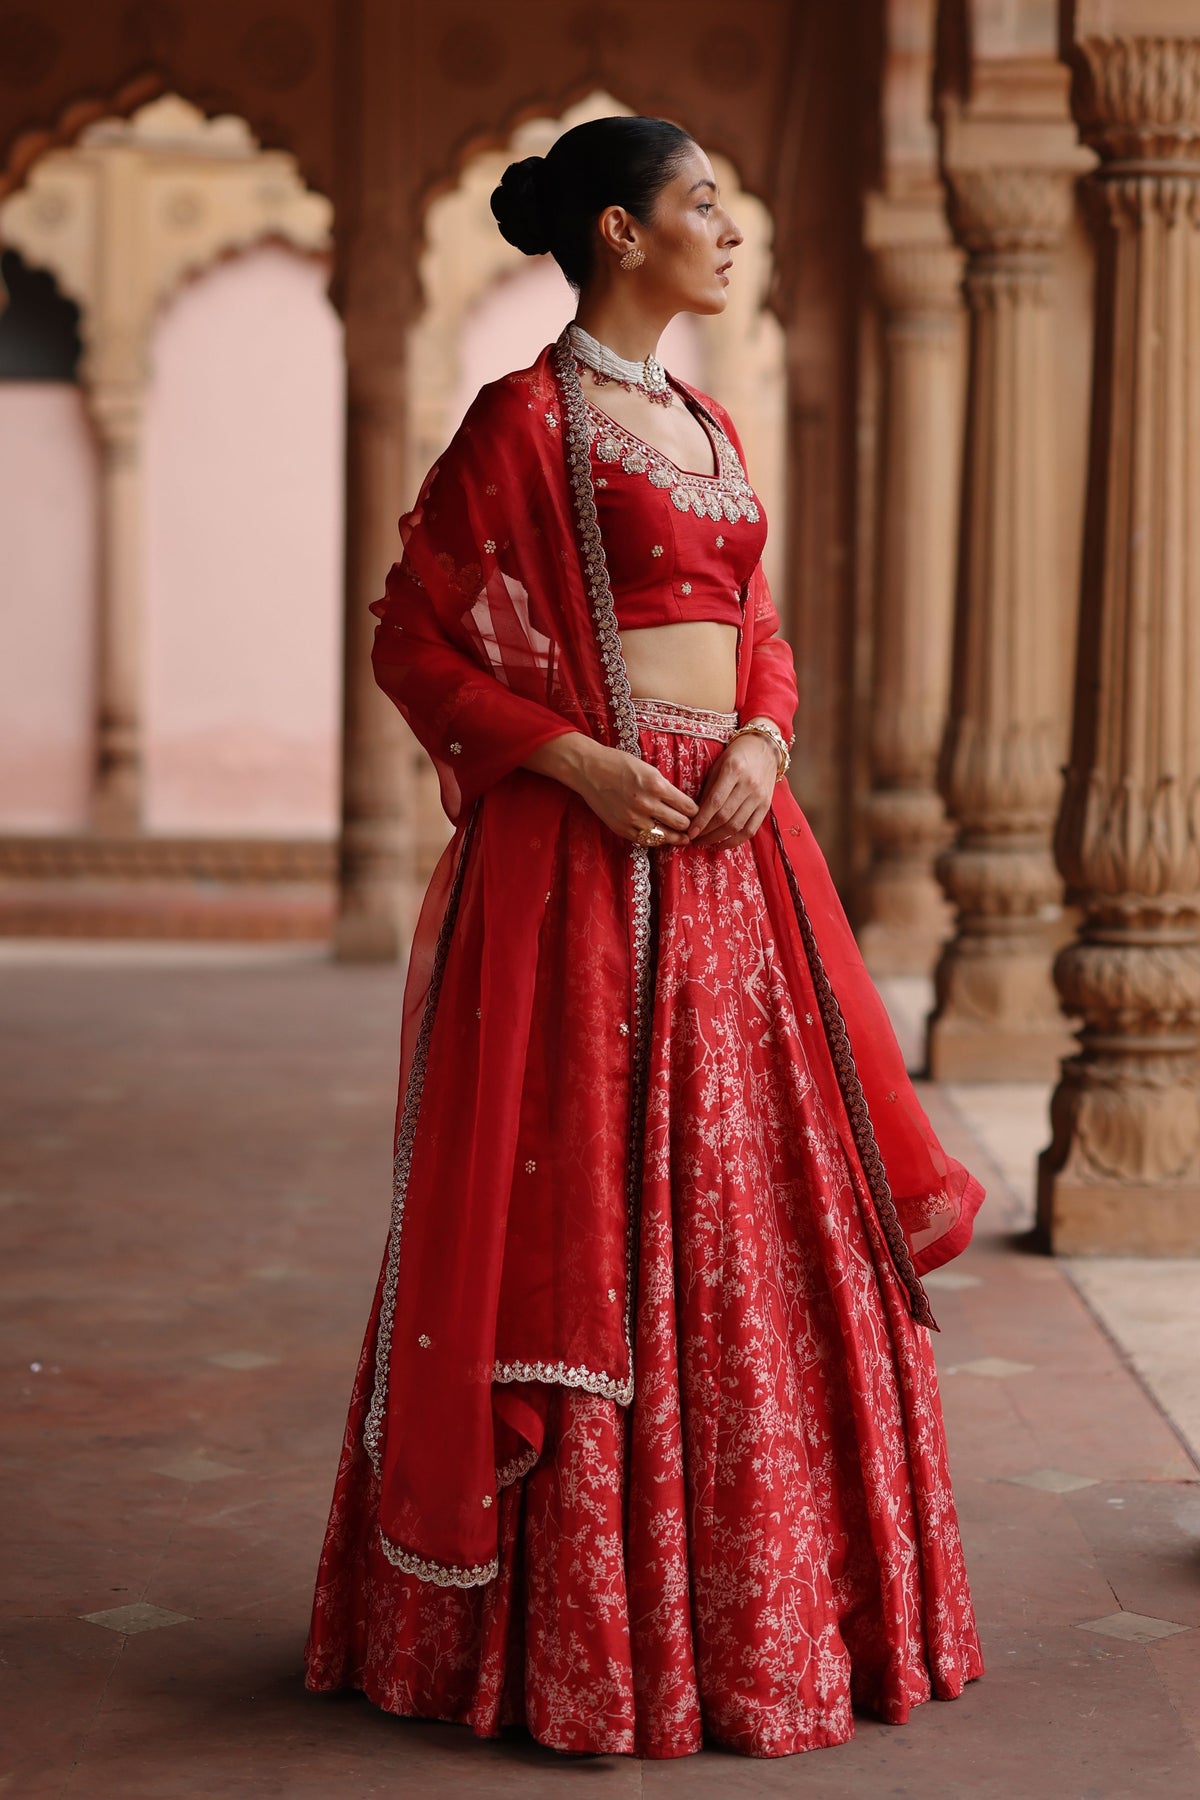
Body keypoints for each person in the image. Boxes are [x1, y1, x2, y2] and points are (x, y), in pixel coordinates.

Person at [304, 114, 985, 1761]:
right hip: (580, 863)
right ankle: (579, 1645)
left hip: (734, 860)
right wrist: (572, 756)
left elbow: (758, 632)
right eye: (702, 204)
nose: (728, 228)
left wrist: (759, 742)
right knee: (585, 1209)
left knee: (754, 1203)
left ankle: (774, 1618)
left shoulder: (709, 426)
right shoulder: (523, 425)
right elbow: (413, 637)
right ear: (619, 233)